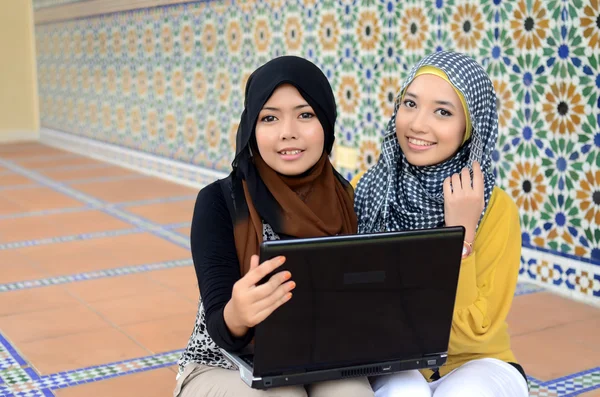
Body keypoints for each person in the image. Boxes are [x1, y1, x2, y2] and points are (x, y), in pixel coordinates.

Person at [174, 55, 374, 397]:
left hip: (321, 358)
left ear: (326, 122)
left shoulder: (347, 199)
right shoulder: (221, 201)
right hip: (224, 361)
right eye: (269, 118)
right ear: (252, 126)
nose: (288, 133)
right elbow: (220, 327)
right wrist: (239, 312)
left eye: (305, 115)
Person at [352, 51, 529, 397]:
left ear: (470, 126)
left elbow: (474, 332)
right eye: (410, 104)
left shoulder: (495, 208)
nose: (418, 124)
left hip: (476, 360)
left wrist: (461, 236)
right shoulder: (367, 190)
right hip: (389, 357)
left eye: (443, 112)